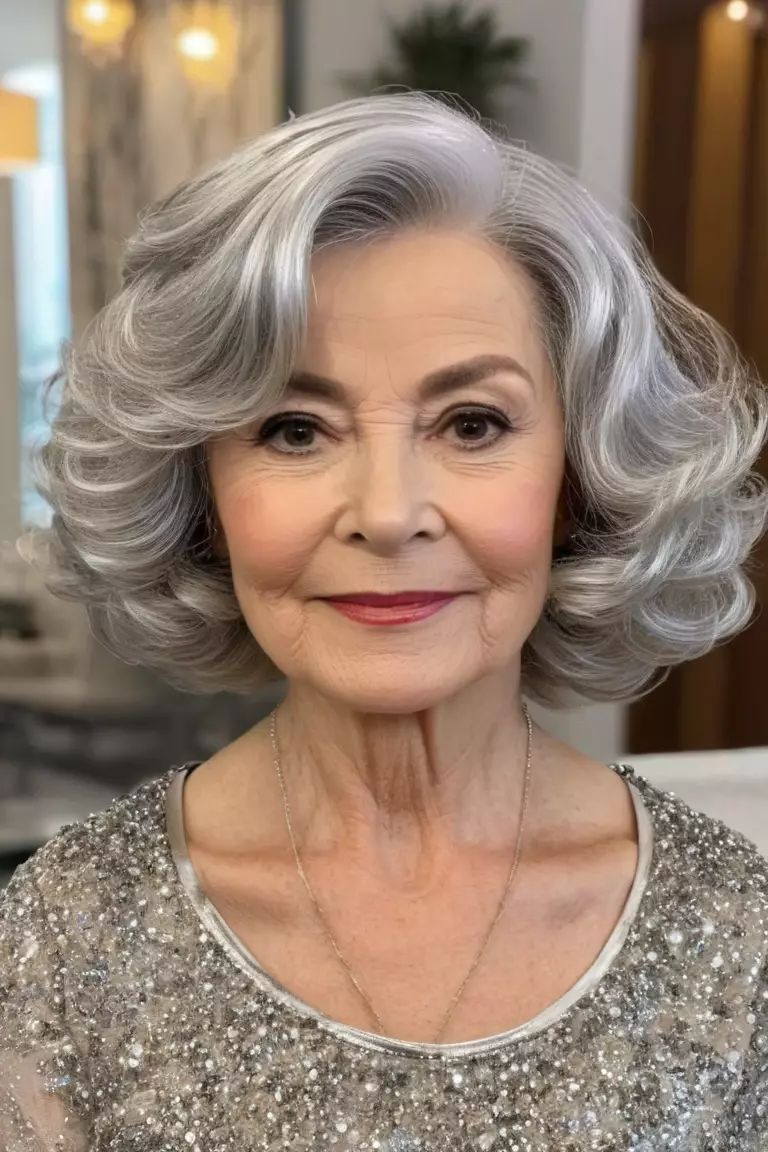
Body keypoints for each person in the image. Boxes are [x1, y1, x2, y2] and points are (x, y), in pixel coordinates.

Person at [1, 93, 768, 1151]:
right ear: (201, 495)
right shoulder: (62, 936)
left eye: (472, 422)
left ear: (583, 477)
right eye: (295, 428)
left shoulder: (738, 934)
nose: (388, 513)